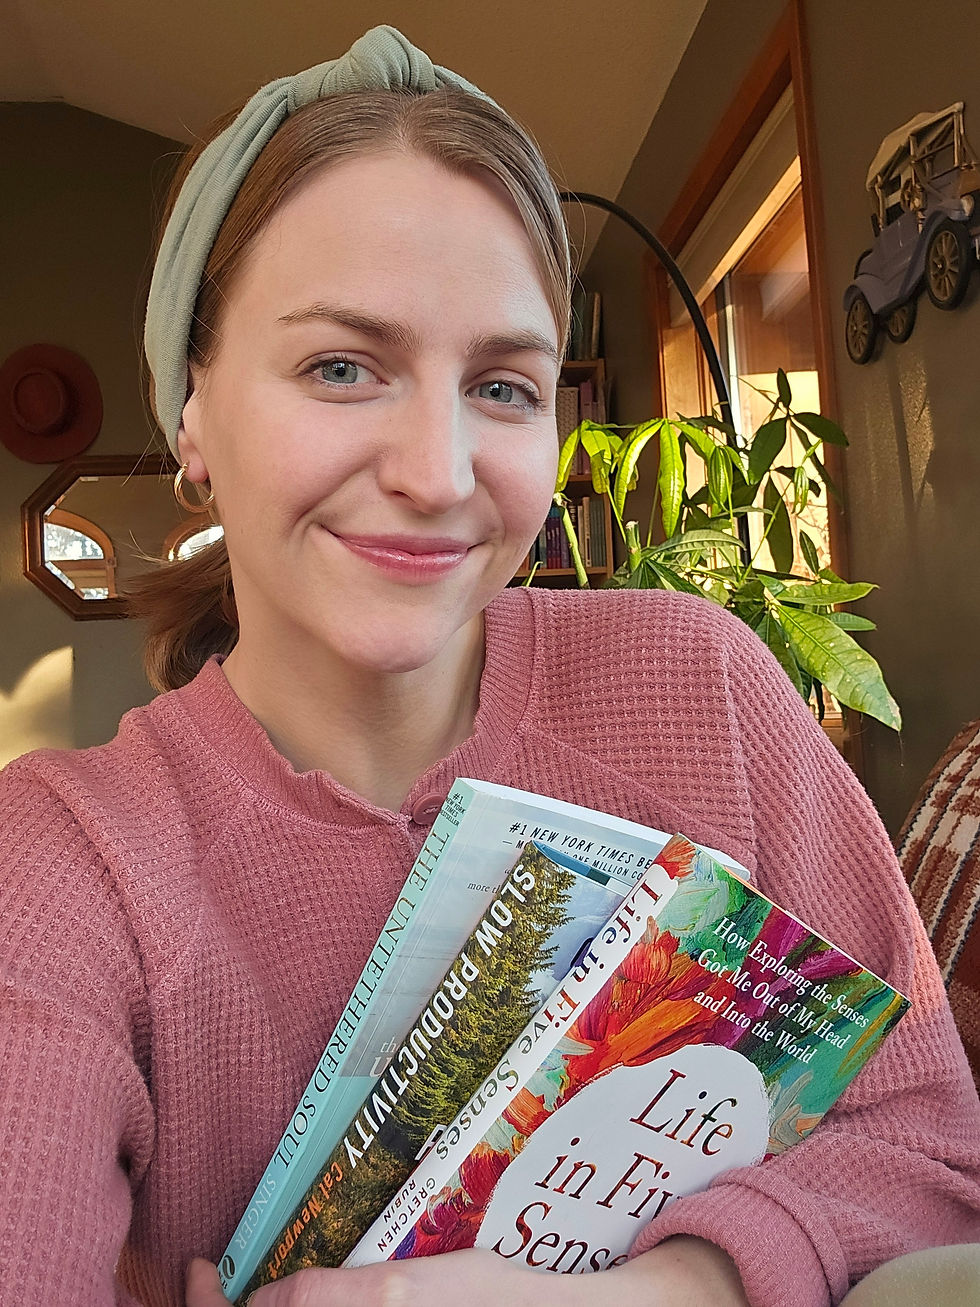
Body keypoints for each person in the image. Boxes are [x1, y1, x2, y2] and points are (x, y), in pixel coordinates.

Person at [0, 26, 977, 1307]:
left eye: (503, 386)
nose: (437, 471)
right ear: (192, 410)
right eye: (341, 366)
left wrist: (663, 1284)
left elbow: (931, 1147)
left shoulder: (698, 688)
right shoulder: (68, 869)